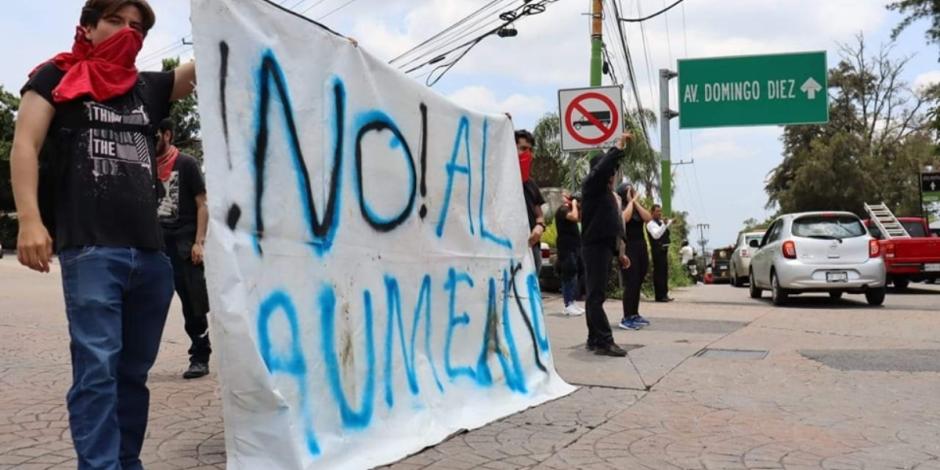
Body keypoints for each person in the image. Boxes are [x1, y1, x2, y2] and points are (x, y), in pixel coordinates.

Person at [10, 1, 196, 467]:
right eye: (115, 21)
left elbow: (215, 57)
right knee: (97, 371)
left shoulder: (147, 88)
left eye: (137, 28)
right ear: (87, 27)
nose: (127, 33)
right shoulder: (55, 77)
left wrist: (326, 48)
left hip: (153, 256)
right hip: (92, 251)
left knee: (133, 374)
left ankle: (125, 462)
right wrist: (30, 220)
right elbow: (25, 146)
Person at [155, 119, 211, 380]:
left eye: (154, 135)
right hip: (155, 243)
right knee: (148, 302)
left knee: (193, 303)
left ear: (167, 134)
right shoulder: (145, 165)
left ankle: (200, 356)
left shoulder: (186, 164)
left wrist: (199, 242)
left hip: (184, 244)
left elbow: (202, 204)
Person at [580, 132, 633, 357]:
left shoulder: (607, 194)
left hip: (604, 247)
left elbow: (613, 225)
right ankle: (604, 340)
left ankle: (594, 338)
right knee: (595, 296)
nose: (611, 176)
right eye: (609, 172)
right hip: (594, 247)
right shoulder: (592, 186)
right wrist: (618, 146)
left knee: (595, 295)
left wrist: (619, 252)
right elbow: (602, 169)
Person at [616, 183, 652, 330]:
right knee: (631, 282)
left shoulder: (636, 206)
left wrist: (636, 201)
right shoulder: (620, 207)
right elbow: (625, 219)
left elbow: (648, 218)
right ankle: (626, 317)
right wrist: (630, 201)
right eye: (629, 191)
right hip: (628, 247)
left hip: (641, 246)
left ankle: (634, 314)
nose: (633, 192)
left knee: (638, 280)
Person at [516, 130, 546, 273]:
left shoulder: (531, 184)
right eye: (523, 149)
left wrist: (539, 226)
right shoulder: (498, 181)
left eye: (530, 149)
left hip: (532, 249)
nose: (528, 153)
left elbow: (539, 214)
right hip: (509, 250)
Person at [555, 191, 584, 316]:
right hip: (566, 248)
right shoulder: (563, 209)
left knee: (574, 274)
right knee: (568, 275)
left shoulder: (572, 209)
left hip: (574, 248)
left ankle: (572, 301)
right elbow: (573, 217)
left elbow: (579, 218)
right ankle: (567, 304)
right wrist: (573, 203)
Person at [647, 204, 674, 302]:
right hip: (657, 251)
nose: (659, 213)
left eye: (660, 211)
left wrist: (668, 222)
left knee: (664, 272)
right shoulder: (651, 224)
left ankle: (665, 294)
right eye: (657, 211)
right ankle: (659, 296)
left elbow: (667, 224)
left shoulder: (660, 222)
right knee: (659, 273)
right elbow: (656, 235)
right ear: (652, 212)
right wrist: (664, 225)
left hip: (664, 250)